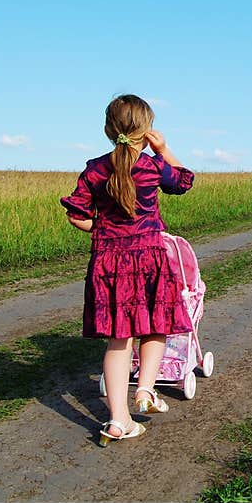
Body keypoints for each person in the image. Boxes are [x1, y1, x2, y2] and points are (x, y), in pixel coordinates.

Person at [61, 94, 195, 446]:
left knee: (118, 340)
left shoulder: (95, 169)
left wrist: (103, 230)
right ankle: (146, 391)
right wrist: (163, 149)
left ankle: (118, 420)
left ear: (108, 129)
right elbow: (183, 181)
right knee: (156, 325)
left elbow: (76, 213)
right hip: (149, 256)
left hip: (108, 260)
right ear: (147, 131)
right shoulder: (152, 166)